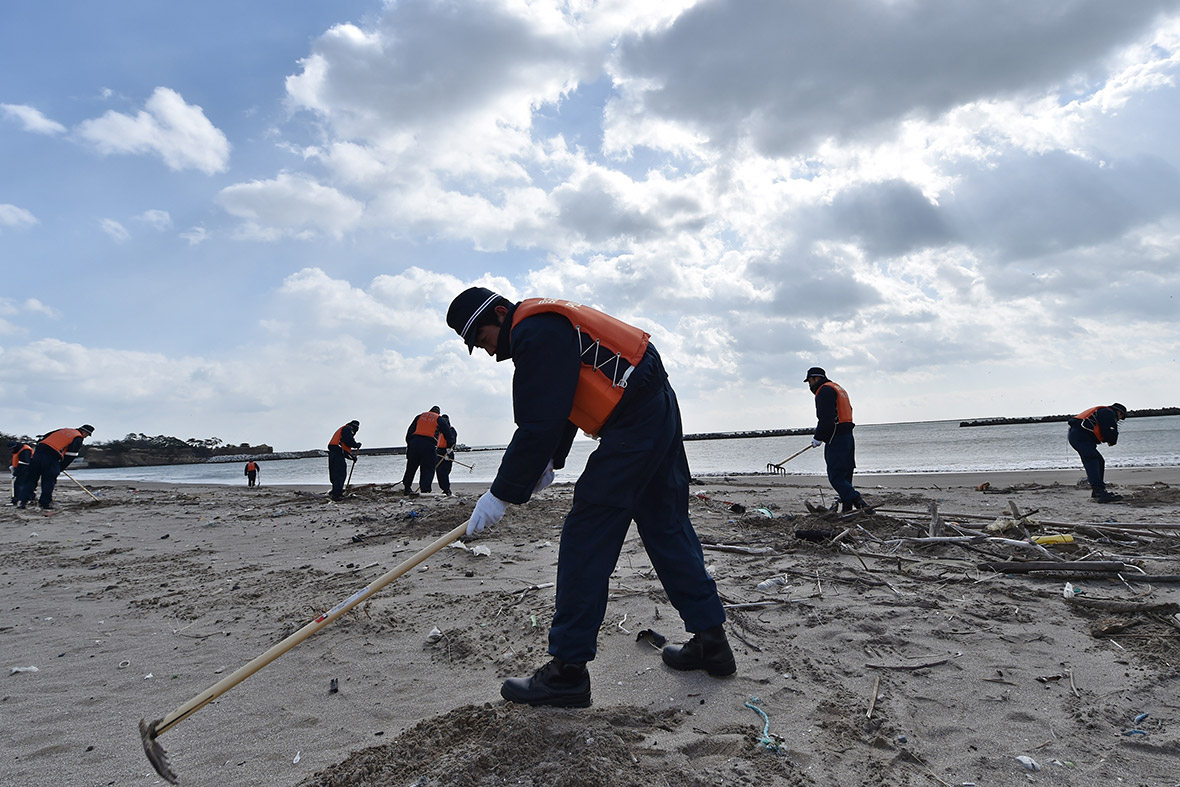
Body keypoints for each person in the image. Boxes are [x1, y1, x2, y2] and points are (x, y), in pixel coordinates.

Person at [446, 286, 733, 708]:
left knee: (587, 535)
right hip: (656, 407)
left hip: (635, 421)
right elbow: (563, 401)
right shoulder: (547, 325)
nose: (489, 353)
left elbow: (538, 422)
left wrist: (501, 494)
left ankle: (567, 672)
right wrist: (550, 464)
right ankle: (711, 641)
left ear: (501, 314)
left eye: (485, 340)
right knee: (665, 525)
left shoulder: (535, 331)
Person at [804, 367, 867, 513]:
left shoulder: (824, 391)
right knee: (846, 475)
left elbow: (826, 418)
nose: (809, 386)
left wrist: (818, 437)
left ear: (816, 379)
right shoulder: (839, 388)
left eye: (810, 381)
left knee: (836, 477)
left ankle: (860, 503)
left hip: (836, 438)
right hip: (848, 436)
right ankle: (847, 509)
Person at [1068, 403, 1127, 503]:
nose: (1119, 420)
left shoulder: (1103, 411)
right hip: (1080, 437)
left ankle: (1097, 491)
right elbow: (1108, 428)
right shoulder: (1108, 412)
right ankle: (1100, 492)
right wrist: (1112, 439)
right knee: (1092, 459)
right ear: (1119, 412)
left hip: (1078, 436)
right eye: (1121, 417)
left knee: (1099, 461)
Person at [26, 425, 93, 510]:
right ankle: (45, 503)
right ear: (85, 432)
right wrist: (61, 467)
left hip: (39, 452)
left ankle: (25, 500)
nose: (86, 437)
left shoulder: (64, 430)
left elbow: (43, 438)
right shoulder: (78, 438)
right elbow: (70, 455)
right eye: (87, 435)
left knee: (32, 478)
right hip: (51, 455)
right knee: (49, 479)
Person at [402, 407, 450, 494]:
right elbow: (447, 432)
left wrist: (410, 444)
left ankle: (407, 488)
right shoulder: (438, 418)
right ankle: (425, 489)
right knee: (427, 468)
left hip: (415, 443)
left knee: (411, 467)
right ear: (438, 413)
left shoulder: (420, 416)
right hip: (428, 444)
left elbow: (410, 431)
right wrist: (449, 446)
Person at [327, 420, 361, 501]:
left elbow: (344, 451)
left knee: (335, 474)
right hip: (336, 454)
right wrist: (356, 445)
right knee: (340, 474)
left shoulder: (343, 430)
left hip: (334, 454)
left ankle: (335, 491)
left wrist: (352, 457)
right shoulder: (347, 429)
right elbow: (348, 441)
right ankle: (337, 495)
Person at [434, 415, 458, 496]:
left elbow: (453, 441)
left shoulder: (451, 430)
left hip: (448, 451)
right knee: (439, 472)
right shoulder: (438, 430)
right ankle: (445, 489)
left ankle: (446, 489)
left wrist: (449, 451)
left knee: (445, 471)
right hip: (439, 452)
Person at [9, 441, 33, 508]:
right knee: (23, 484)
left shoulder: (25, 451)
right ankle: (29, 498)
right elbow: (17, 460)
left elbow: (24, 464)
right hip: (21, 469)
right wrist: (13, 467)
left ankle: (18, 499)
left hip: (27, 470)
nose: (11, 451)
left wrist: (15, 474)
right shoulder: (17, 450)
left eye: (11, 449)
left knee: (20, 484)